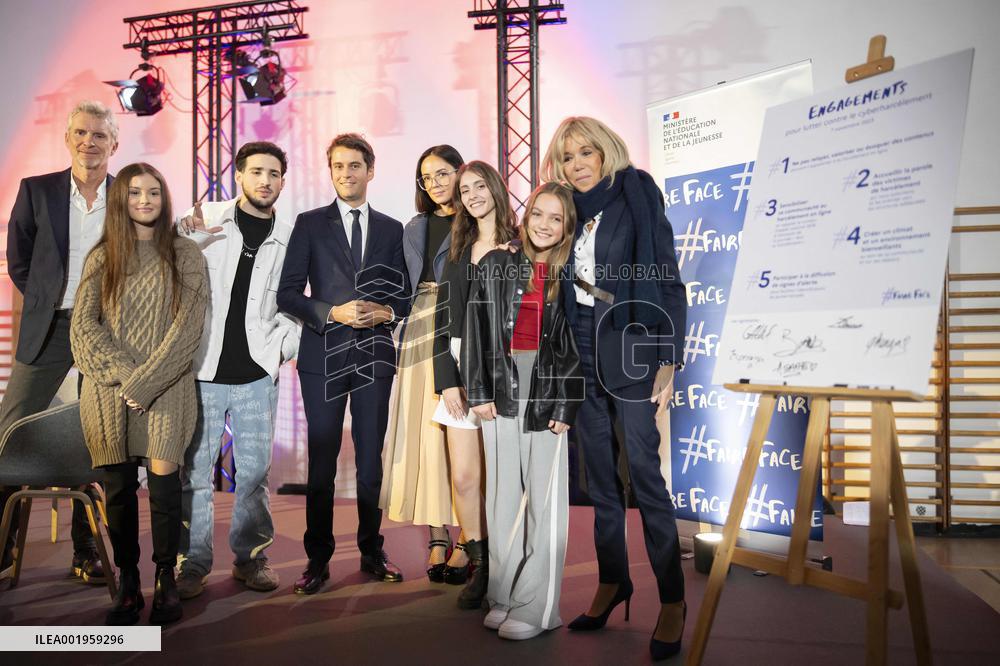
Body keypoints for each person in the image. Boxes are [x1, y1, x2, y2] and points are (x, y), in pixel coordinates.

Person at [542, 116, 688, 660]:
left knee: (645, 474)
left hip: (630, 338)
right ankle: (612, 581)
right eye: (567, 157)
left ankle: (672, 597)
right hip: (578, 341)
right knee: (598, 476)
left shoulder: (636, 193)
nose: (577, 165)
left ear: (605, 153)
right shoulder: (564, 207)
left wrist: (669, 357)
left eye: (586, 153)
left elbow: (667, 276)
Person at [70, 162, 208, 625]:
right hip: (108, 393)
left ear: (164, 198)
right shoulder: (102, 256)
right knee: (119, 492)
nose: (144, 200)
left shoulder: (186, 255)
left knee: (166, 490)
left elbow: (188, 329)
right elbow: (84, 330)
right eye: (134, 193)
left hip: (167, 390)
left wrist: (147, 382)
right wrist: (128, 376)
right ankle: (128, 581)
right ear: (121, 201)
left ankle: (165, 578)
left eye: (153, 192)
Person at [277, 133, 409, 594]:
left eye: (354, 165)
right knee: (322, 463)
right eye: (337, 166)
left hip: (375, 354)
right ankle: (318, 560)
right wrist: (330, 312)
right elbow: (288, 293)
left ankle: (372, 550)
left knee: (372, 462)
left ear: (371, 171)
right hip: (323, 358)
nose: (346, 174)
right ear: (329, 171)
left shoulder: (394, 230)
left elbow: (405, 294)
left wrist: (388, 312)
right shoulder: (309, 223)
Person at [0, 101, 120, 585]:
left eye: (97, 135)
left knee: (95, 433)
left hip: (102, 329)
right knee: (8, 431)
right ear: (68, 137)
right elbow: (19, 256)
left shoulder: (127, 195)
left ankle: (85, 545)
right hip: (46, 328)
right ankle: (3, 544)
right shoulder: (37, 190)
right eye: (79, 133)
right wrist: (47, 299)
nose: (87, 142)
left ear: (114, 144)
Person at [174, 142, 301, 599]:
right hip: (202, 369)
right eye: (256, 172)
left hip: (256, 374)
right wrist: (184, 230)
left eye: (274, 173)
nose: (265, 180)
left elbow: (296, 302)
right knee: (195, 473)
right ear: (240, 176)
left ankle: (250, 559)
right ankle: (193, 563)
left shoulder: (291, 237)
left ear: (283, 181)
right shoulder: (203, 219)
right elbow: (171, 268)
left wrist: (283, 347)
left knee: (252, 475)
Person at [462, 182, 583, 640]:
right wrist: (478, 390)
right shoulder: (494, 264)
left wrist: (567, 401)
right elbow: (474, 329)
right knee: (503, 501)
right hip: (500, 394)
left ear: (567, 227)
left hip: (548, 398)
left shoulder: (570, 274)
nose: (545, 225)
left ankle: (537, 607)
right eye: (539, 215)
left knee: (544, 506)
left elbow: (578, 346)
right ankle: (505, 594)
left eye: (557, 218)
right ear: (526, 215)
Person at [379, 144, 473, 582]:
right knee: (426, 434)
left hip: (467, 324)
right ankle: (438, 534)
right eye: (426, 178)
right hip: (421, 325)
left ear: (461, 172)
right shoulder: (414, 227)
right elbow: (405, 285)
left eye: (442, 174)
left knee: (466, 432)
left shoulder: (479, 219)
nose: (434, 184)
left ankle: (473, 535)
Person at [432, 160, 518, 608]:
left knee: (505, 479)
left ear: (495, 189)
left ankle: (511, 566)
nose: (472, 195)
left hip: (508, 375)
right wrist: (446, 380)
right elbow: (443, 320)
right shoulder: (458, 249)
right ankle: (481, 568)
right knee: (464, 477)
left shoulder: (523, 242)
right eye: (465, 190)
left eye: (479, 186)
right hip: (462, 371)